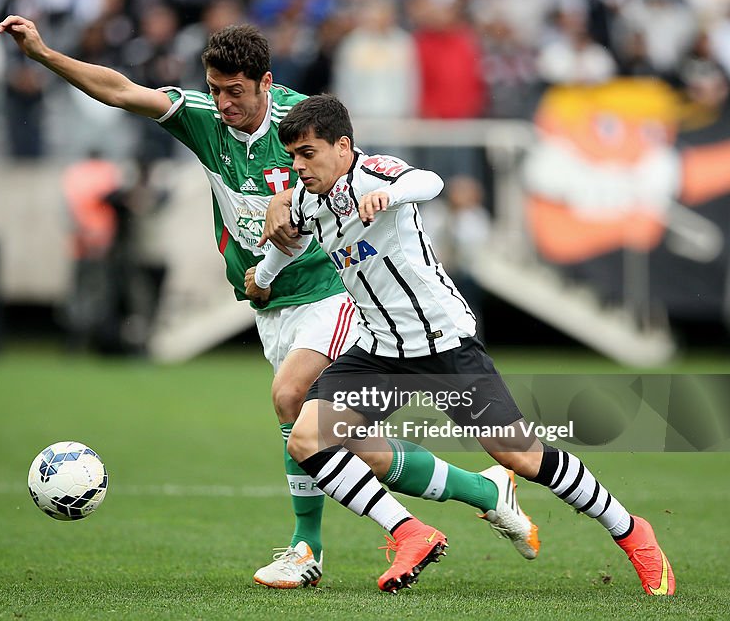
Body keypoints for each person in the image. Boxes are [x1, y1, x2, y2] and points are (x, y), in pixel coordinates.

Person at [0, 18, 538, 589]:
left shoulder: (299, 120)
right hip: (266, 297)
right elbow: (122, 90)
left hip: (331, 287)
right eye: (214, 89)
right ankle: (483, 489)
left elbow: (352, 170)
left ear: (266, 83)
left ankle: (319, 546)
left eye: (236, 91)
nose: (223, 103)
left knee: (289, 398)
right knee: (344, 446)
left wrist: (300, 198)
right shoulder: (204, 120)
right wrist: (44, 53)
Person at [248, 93, 676, 595]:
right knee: (306, 439)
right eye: (294, 156)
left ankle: (633, 533)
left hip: (443, 344)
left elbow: (429, 181)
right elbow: (289, 238)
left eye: (308, 153)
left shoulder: (375, 173)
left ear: (342, 147)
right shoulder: (305, 199)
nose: (299, 166)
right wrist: (265, 278)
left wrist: (392, 194)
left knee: (521, 456)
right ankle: (411, 533)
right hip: (382, 351)